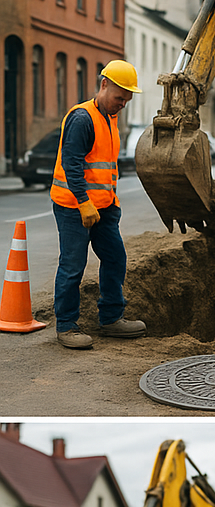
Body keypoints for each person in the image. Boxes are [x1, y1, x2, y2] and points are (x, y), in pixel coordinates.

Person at [50, 60, 146, 349]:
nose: (122, 104)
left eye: (127, 100)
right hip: (73, 206)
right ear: (104, 84)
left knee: (115, 257)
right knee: (73, 265)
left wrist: (109, 205)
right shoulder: (83, 118)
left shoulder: (110, 117)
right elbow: (72, 164)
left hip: (103, 208)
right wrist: (83, 202)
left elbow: (103, 167)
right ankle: (66, 326)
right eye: (120, 97)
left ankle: (111, 318)